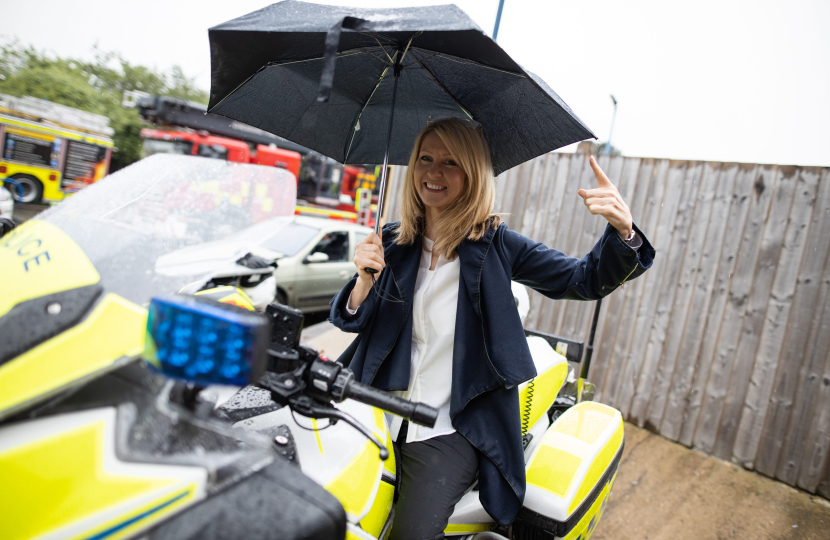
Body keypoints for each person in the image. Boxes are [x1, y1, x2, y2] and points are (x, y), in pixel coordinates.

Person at [329, 117, 655, 540]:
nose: (434, 172)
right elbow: (351, 319)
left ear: (473, 174)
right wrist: (364, 279)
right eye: (425, 158)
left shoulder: (499, 244)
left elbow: (582, 279)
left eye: (450, 162)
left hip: (449, 427)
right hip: (372, 411)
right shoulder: (393, 241)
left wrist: (622, 231)